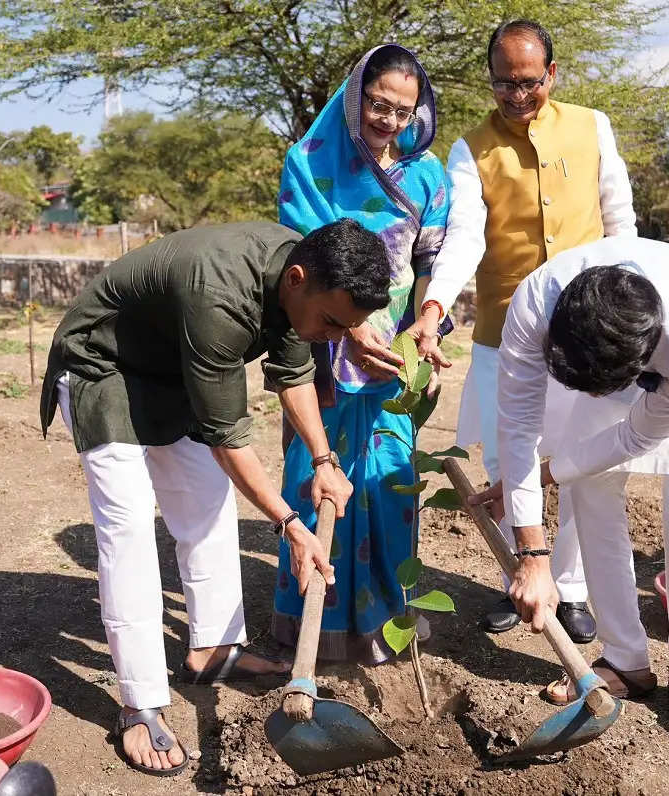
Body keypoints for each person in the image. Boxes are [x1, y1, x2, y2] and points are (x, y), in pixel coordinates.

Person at [39, 218, 392, 775]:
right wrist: (290, 523)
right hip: (104, 366)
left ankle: (212, 651)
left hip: (172, 370)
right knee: (128, 530)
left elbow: (295, 370)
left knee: (206, 505)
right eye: (332, 322)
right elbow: (229, 436)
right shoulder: (220, 297)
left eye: (344, 327)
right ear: (297, 280)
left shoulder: (300, 278)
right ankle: (141, 703)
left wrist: (324, 463)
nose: (334, 336)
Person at [472, 236, 669, 745]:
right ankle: (626, 659)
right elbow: (517, 423)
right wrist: (533, 552)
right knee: (590, 491)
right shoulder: (537, 303)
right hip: (609, 346)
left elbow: (633, 435)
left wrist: (546, 473)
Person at [407, 18, 637, 641]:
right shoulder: (470, 147)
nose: (515, 95)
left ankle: (576, 589)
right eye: (504, 83)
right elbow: (463, 239)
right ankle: (520, 576)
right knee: (514, 460)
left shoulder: (591, 127)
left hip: (591, 332)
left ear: (551, 76)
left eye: (528, 82)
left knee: (584, 459)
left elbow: (620, 221)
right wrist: (434, 306)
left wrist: (632, 308)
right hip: (507, 333)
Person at [272, 44, 450, 664]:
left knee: (389, 481)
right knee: (315, 480)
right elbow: (299, 261)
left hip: (396, 352)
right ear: (356, 96)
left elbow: (432, 263)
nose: (389, 121)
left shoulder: (427, 176)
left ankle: (383, 619)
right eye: (379, 104)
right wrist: (351, 328)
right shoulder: (308, 164)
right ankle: (313, 629)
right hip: (325, 347)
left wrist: (423, 329)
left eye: (404, 111)